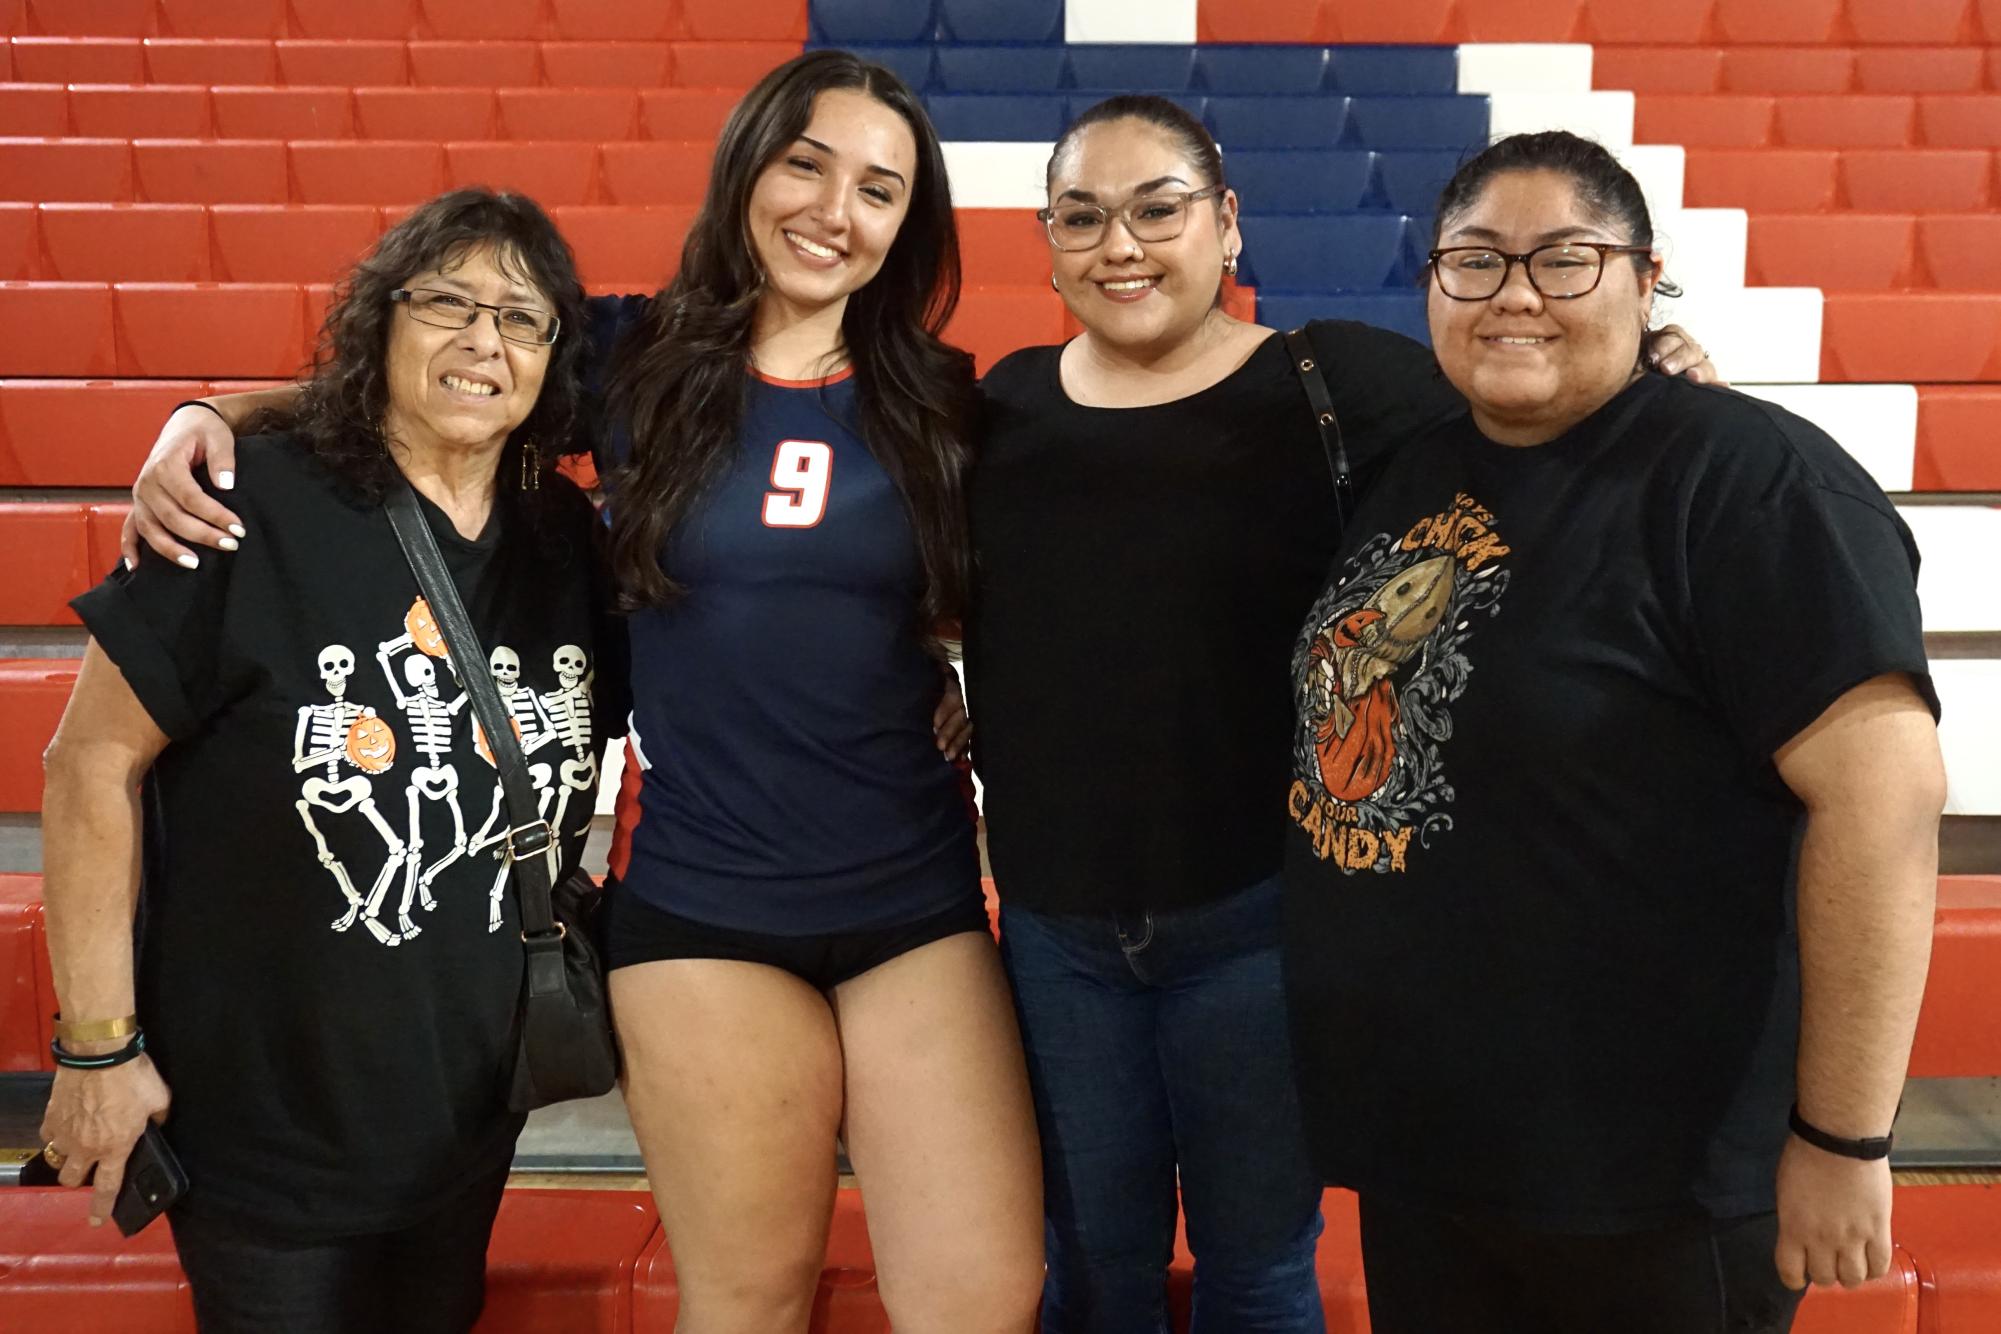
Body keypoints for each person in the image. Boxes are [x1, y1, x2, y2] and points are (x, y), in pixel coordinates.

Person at [116, 51, 1041, 1334]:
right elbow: (412, 395)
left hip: (911, 894)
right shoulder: (632, 354)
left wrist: (966, 679)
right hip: (707, 900)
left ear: (909, 221)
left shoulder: (941, 398)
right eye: (807, 164)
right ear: (749, 171)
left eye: (880, 188)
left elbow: (983, 601)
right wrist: (205, 411)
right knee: (746, 1295)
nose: (837, 209)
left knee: (981, 1298)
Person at [968, 96, 1717, 1333]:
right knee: (1091, 1265)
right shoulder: (1003, 406)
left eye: (1158, 208)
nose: (1122, 245)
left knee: (1260, 1267)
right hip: (1057, 933)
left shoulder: (1339, 382)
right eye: (1083, 216)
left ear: (1226, 222)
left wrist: (1657, 367)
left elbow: (1532, 421)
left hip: (1262, 922)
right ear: (1048, 238)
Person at [1280, 130, 1943, 1334]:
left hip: (1653, 1183)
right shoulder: (1410, 466)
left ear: (1646, 282)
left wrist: (1844, 1132)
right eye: (1475, 260)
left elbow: (1885, 803)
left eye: (1566, 259)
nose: (1516, 291)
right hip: (1435, 1147)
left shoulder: (1751, 483)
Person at [38, 188, 613, 1334]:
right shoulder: (248, 502)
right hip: (266, 1126)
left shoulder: (567, 539)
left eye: (520, 317)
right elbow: (87, 763)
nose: (482, 340)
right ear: (379, 321)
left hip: (465, 1116)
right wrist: (97, 1048)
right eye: (445, 302)